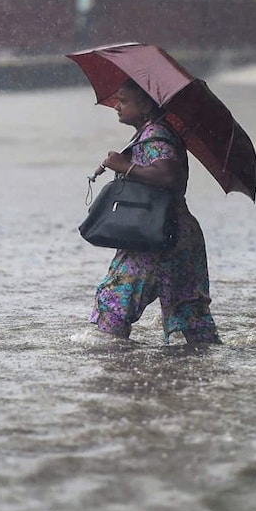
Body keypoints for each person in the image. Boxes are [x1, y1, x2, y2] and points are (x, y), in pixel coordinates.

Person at [89, 79, 222, 344]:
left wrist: (123, 167)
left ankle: (112, 369)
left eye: (124, 100)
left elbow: (169, 175)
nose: (117, 105)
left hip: (156, 236)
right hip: (176, 234)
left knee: (115, 300)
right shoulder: (154, 132)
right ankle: (204, 364)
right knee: (190, 313)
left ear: (147, 104)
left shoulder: (155, 135)